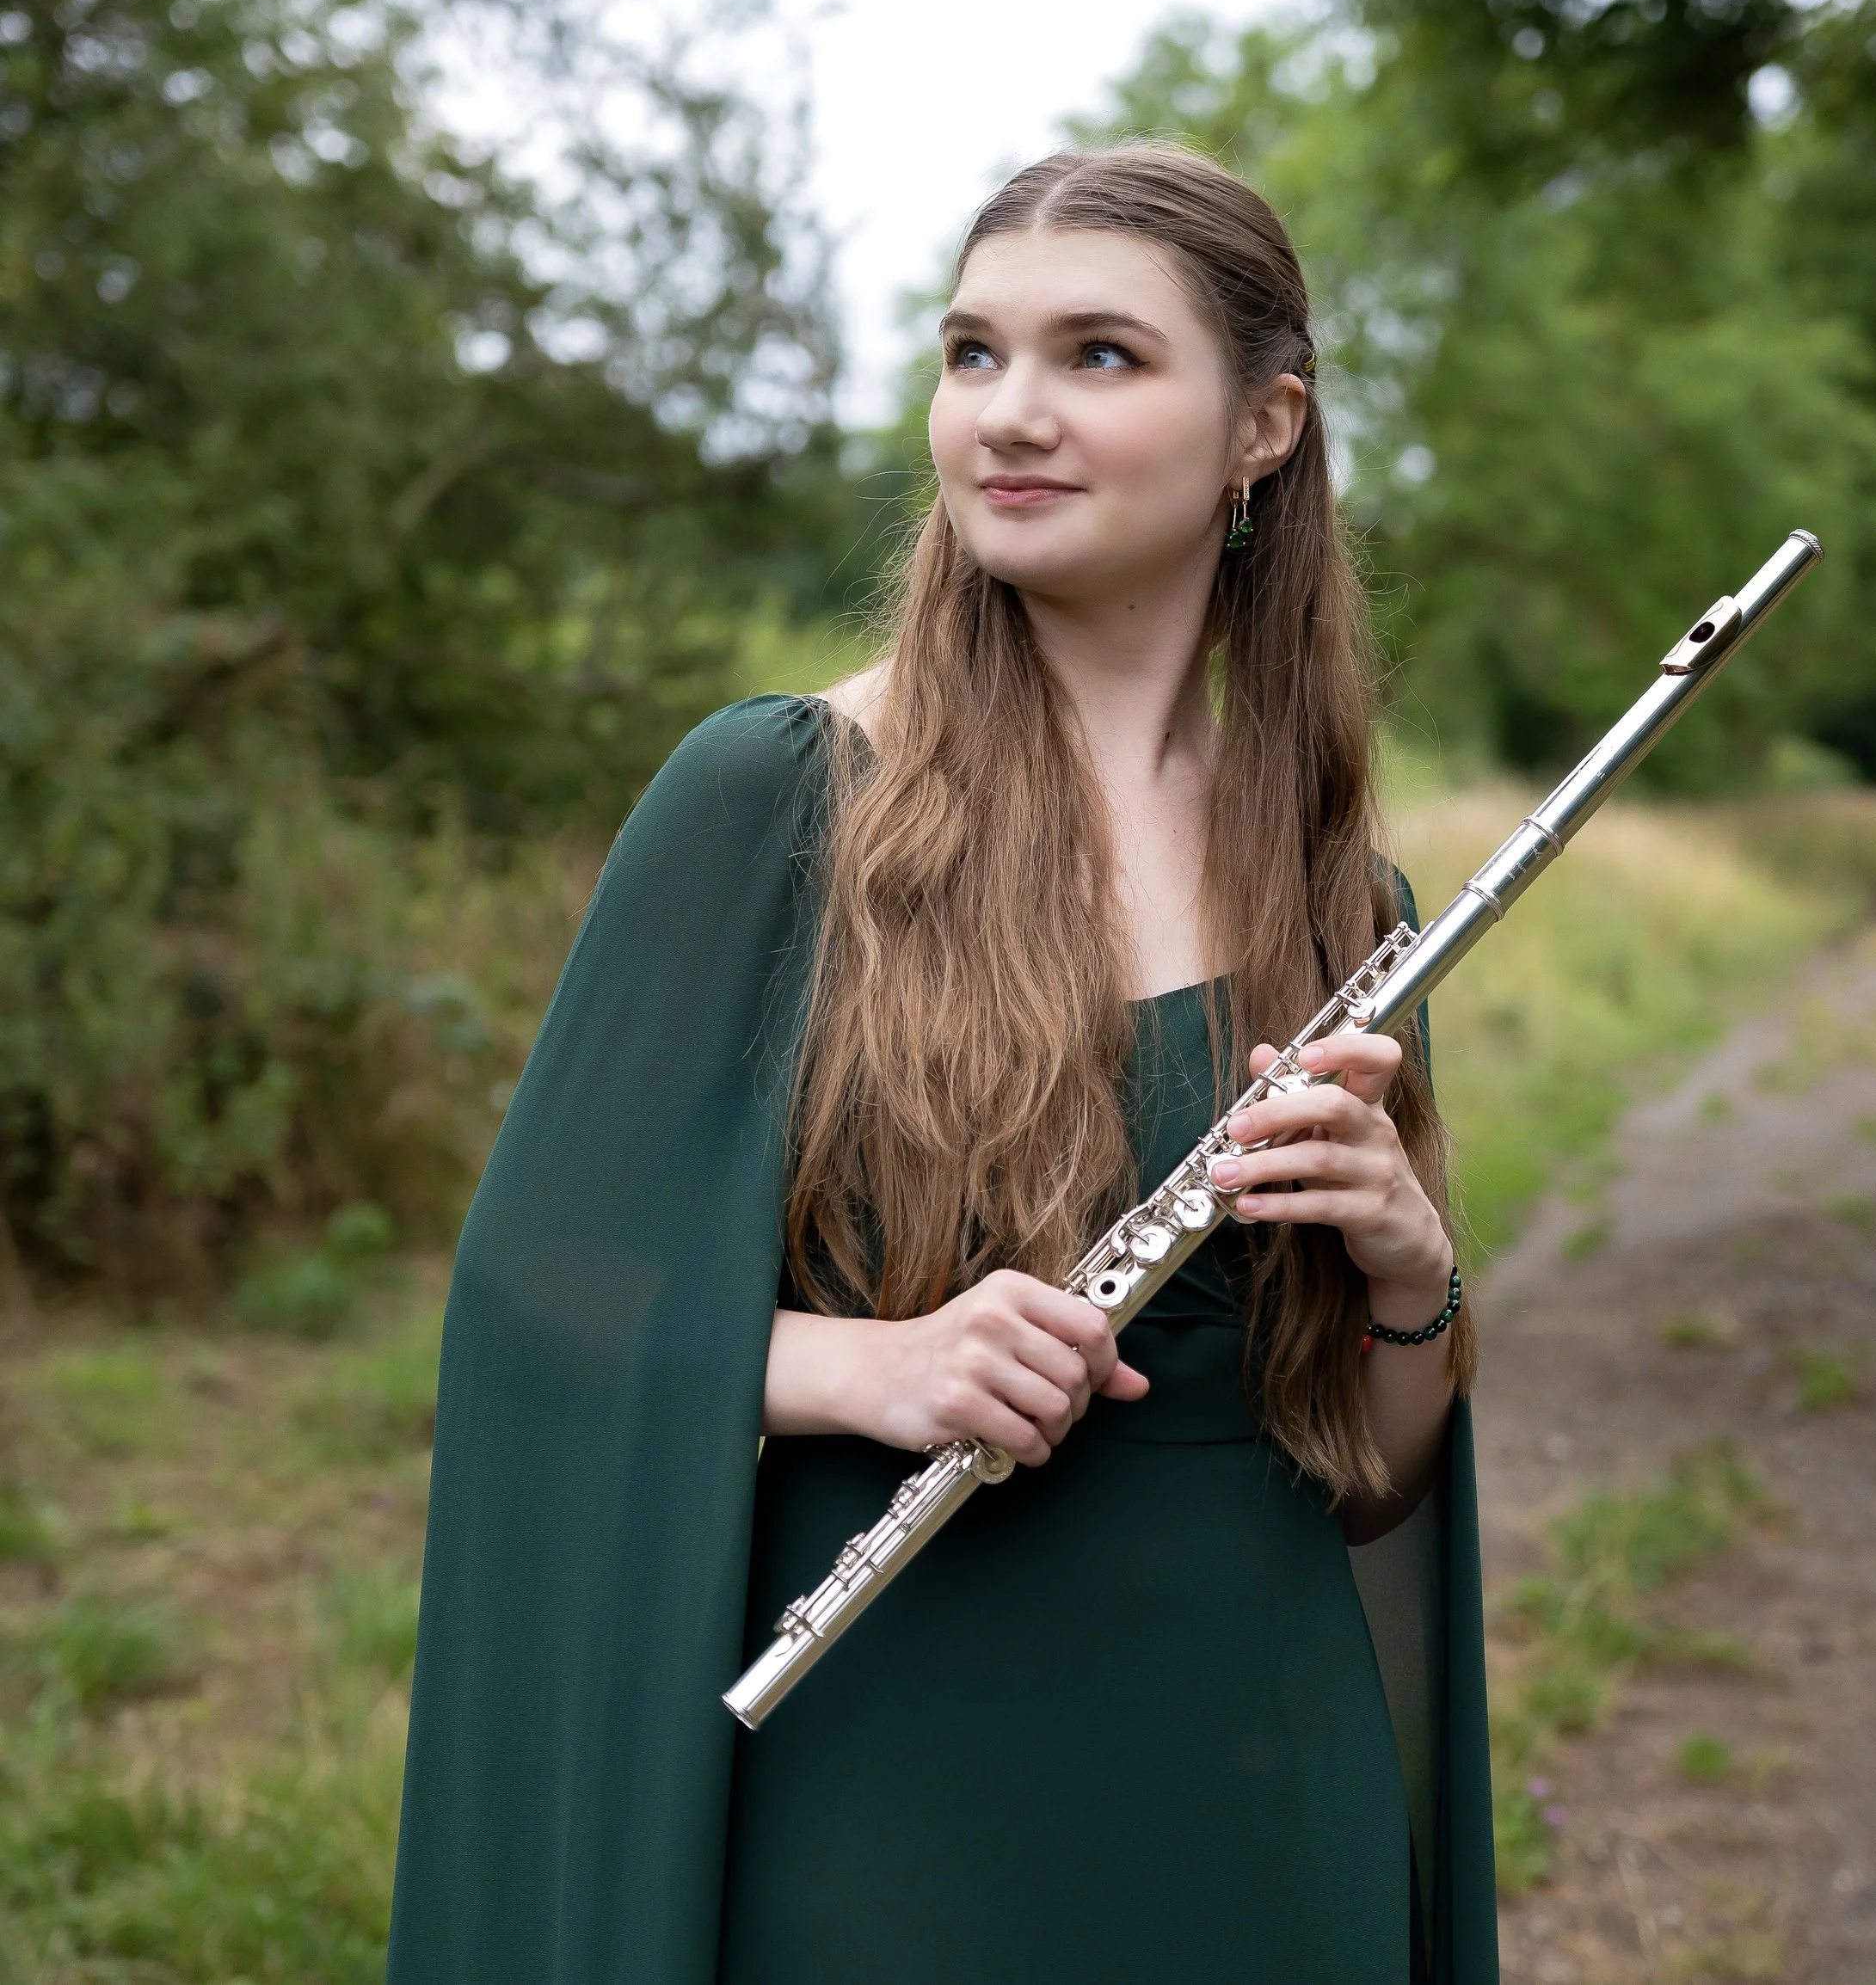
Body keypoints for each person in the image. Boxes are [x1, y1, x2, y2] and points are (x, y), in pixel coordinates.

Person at [388, 144, 1498, 1985]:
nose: (1010, 414)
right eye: (970, 352)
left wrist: (1403, 1265)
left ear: (1264, 424)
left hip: (1258, 1770)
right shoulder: (772, 796)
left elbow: (1365, 1475)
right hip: (887, 1770)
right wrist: (871, 1362)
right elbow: (541, 1308)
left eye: (1097, 356)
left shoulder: (1336, 890)